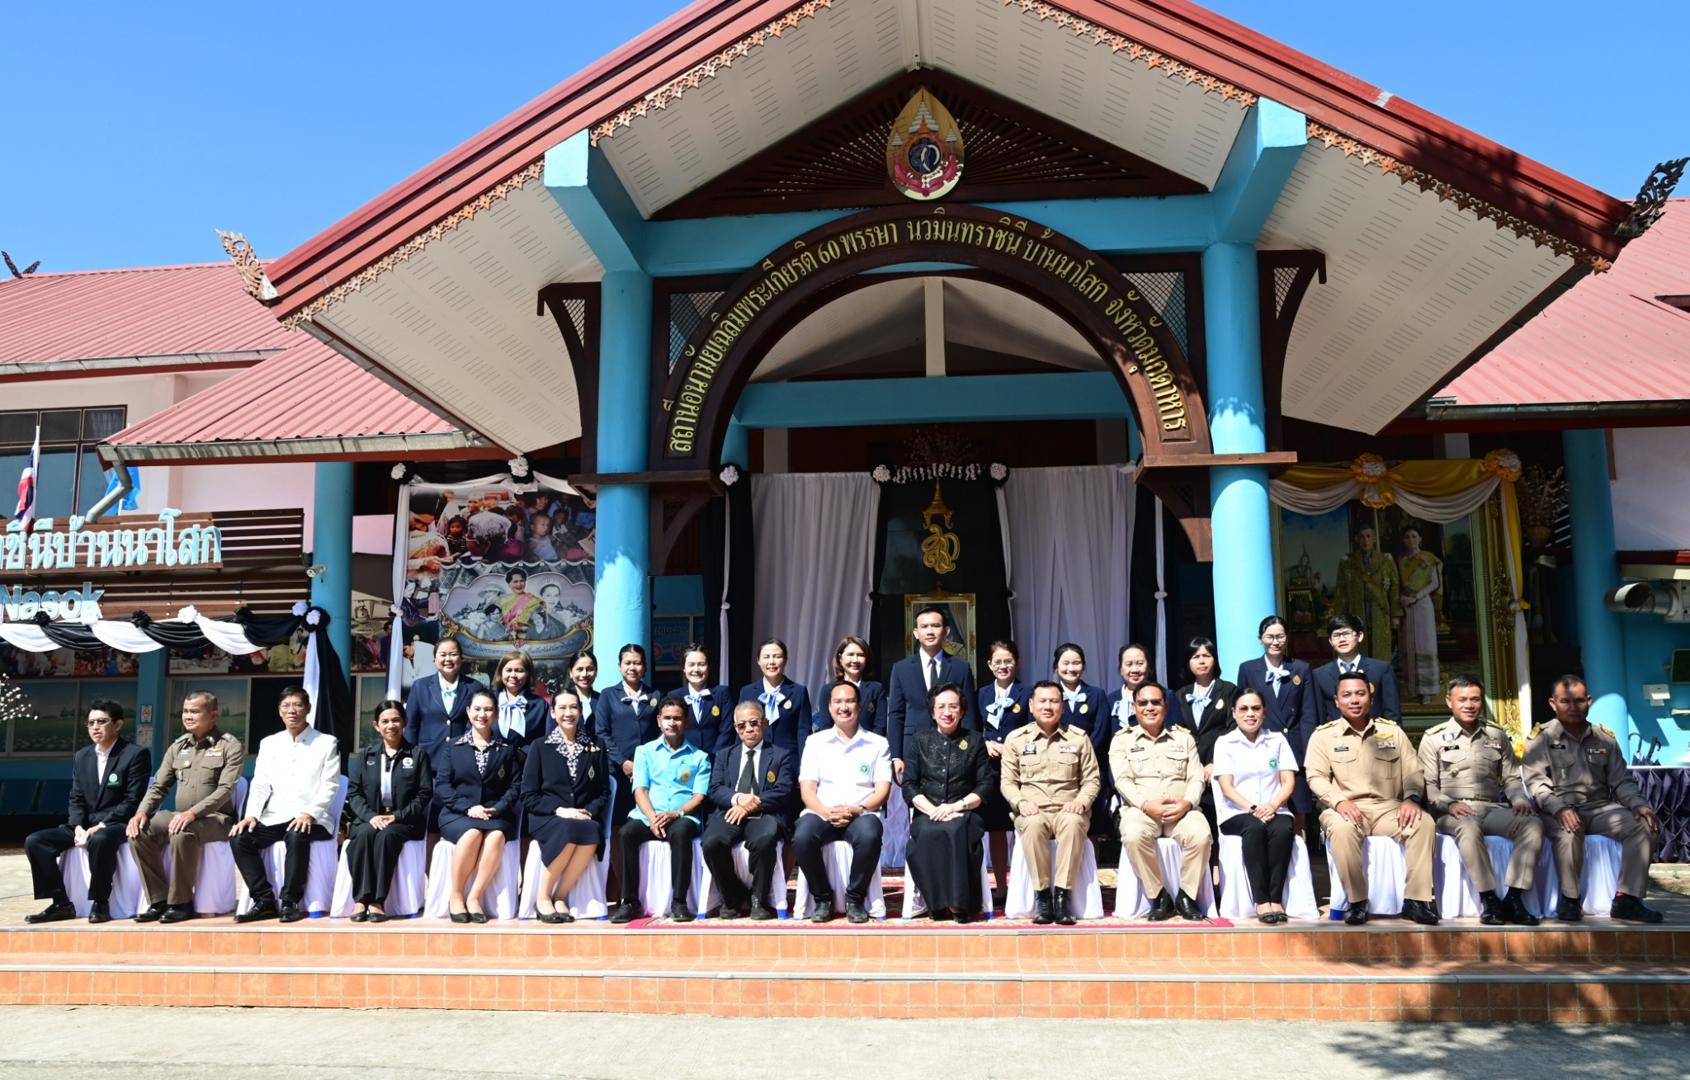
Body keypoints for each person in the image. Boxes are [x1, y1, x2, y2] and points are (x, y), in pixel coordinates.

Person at [1523, 676, 1663, 923]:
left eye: (1579, 701)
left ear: (1589, 701)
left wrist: (1638, 804)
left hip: (1599, 808)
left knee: (1644, 825)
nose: (1573, 707)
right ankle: (1570, 899)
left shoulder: (1604, 738)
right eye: (1565, 701)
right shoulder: (1541, 738)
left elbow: (1621, 781)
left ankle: (1627, 898)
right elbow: (1536, 784)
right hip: (1556, 808)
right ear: (1553, 704)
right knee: (1569, 829)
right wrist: (1558, 808)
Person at [1304, 673, 1438, 926]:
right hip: (1345, 808)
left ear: (1371, 698)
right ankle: (1357, 902)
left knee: (1424, 823)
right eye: (1347, 695)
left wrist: (1411, 798)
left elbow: (1413, 771)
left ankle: (1416, 901)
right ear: (1337, 701)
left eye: (1360, 694)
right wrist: (1339, 801)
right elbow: (1316, 777)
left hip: (1389, 808)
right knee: (1342, 830)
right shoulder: (1323, 736)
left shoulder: (1392, 732)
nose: (1354, 700)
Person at [1417, 676, 1542, 926]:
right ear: (1449, 701)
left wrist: (1519, 799)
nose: (1469, 705)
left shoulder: (1496, 734)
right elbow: (1428, 786)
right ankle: (1489, 899)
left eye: (1475, 699)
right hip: (1452, 811)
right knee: (1469, 827)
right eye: (1462, 699)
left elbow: (1511, 778)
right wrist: (1449, 804)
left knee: (1533, 824)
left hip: (1492, 807)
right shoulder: (1433, 738)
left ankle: (1514, 898)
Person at [23, 701, 151, 924]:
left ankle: (100, 902)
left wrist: (101, 826)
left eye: (102, 721)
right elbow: (76, 798)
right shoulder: (82, 756)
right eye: (91, 723)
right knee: (36, 841)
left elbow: (133, 800)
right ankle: (60, 903)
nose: (95, 727)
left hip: (117, 823)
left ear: (118, 724)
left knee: (100, 839)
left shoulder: (135, 754)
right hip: (85, 823)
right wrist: (78, 826)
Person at [127, 692, 245, 924]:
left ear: (213, 715)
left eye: (195, 711)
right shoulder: (178, 746)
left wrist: (193, 813)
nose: (188, 716)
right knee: (139, 831)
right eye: (185, 711)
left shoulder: (229, 746)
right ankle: (159, 900)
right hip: (182, 815)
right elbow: (159, 786)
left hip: (216, 819)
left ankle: (181, 903)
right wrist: (141, 812)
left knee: (182, 832)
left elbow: (225, 790)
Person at [230, 687, 342, 923]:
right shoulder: (269, 743)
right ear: (280, 711)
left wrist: (310, 813)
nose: (292, 711)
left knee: (296, 833)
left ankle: (290, 901)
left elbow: (330, 784)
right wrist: (251, 815)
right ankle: (264, 900)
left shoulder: (326, 742)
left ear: (308, 709)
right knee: (240, 838)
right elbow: (260, 784)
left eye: (298, 705)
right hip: (275, 816)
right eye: (286, 706)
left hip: (314, 819)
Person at [1000, 681, 1101, 925]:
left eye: (1054, 701)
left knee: (1073, 823)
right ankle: (1043, 898)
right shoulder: (1016, 739)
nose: (1048, 706)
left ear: (1062, 707)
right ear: (1031, 705)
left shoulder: (1078, 738)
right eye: (1042, 701)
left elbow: (1092, 779)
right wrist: (1020, 802)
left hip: (1068, 809)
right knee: (1033, 825)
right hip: (1032, 810)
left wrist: (1081, 802)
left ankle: (1062, 897)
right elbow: (1008, 782)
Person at [1110, 681, 1210, 921]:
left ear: (1165, 706)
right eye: (1143, 703)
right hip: (1141, 811)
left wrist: (1187, 803)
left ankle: (1186, 896)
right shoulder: (1122, 740)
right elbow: (1122, 781)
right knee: (1132, 835)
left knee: (1202, 835)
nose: (1149, 707)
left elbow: (1196, 777)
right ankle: (1158, 895)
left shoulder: (1183, 738)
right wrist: (1146, 805)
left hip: (1182, 810)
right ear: (1134, 707)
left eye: (1156, 702)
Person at [794, 681, 892, 923]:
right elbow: (807, 790)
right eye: (837, 702)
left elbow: (882, 790)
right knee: (802, 837)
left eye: (849, 701)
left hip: (861, 813)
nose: (843, 707)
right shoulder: (815, 742)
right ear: (829, 707)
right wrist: (827, 812)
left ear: (859, 705)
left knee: (870, 836)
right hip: (822, 812)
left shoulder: (878, 743)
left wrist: (857, 809)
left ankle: (855, 899)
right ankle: (822, 898)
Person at [611, 696, 712, 923]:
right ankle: (629, 901)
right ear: (658, 721)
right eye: (667, 718)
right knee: (626, 834)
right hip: (648, 815)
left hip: (682, 816)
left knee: (681, 833)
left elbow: (699, 796)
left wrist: (676, 813)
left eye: (677, 718)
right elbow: (640, 789)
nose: (672, 723)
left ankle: (679, 901)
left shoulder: (699, 757)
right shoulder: (644, 752)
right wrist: (652, 818)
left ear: (686, 722)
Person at [904, 683, 994, 922]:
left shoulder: (974, 740)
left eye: (953, 706)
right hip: (928, 811)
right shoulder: (920, 740)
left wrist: (956, 806)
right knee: (927, 833)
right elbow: (909, 784)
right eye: (941, 707)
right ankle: (936, 902)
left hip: (964, 811)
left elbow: (985, 784)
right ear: (932, 712)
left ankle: (958, 903)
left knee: (955, 830)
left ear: (962, 711)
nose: (947, 712)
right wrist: (933, 810)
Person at [521, 686, 610, 924]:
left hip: (581, 816)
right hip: (547, 816)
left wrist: (587, 812)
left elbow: (603, 791)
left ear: (581, 711)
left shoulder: (596, 745)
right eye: (562, 708)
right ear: (553, 713)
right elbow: (528, 794)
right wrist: (559, 810)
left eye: (573, 707)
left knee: (592, 829)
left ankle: (560, 896)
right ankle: (543, 897)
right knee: (568, 827)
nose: (568, 713)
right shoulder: (540, 746)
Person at [701, 701, 795, 920]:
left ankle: (758, 899)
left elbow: (784, 789)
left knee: (764, 840)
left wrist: (754, 802)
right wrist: (738, 799)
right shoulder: (724, 755)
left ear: (765, 723)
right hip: (731, 812)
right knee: (712, 842)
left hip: (765, 812)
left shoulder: (781, 755)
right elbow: (715, 789)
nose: (749, 729)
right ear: (736, 728)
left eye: (754, 723)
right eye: (742, 725)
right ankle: (732, 896)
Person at [1212, 689, 1298, 924]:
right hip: (1237, 812)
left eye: (1256, 708)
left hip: (1275, 808)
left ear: (1264, 712)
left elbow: (1288, 781)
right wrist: (1253, 808)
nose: (1250, 714)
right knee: (1255, 827)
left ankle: (1275, 899)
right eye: (1244, 709)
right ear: (1234, 712)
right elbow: (1226, 787)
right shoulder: (1225, 743)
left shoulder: (1277, 740)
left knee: (1283, 829)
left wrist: (1273, 804)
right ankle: (1261, 901)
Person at [435, 690, 521, 923]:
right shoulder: (454, 746)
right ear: (468, 712)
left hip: (495, 814)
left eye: (488, 709)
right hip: (457, 814)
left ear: (496, 714)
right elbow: (442, 785)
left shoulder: (506, 748)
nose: (482, 714)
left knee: (496, 836)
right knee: (472, 833)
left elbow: (515, 786)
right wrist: (468, 808)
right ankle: (456, 895)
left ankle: (474, 897)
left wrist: (498, 808)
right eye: (477, 709)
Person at [344, 699, 433, 922]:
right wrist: (370, 816)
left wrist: (397, 816)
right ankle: (361, 899)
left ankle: (377, 901)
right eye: (385, 721)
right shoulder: (366, 755)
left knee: (386, 836)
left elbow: (424, 794)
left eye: (396, 720)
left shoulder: (417, 755)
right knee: (363, 835)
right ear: (376, 726)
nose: (391, 725)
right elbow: (354, 792)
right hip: (371, 818)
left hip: (404, 821)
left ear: (404, 722)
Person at [1234, 616, 1319, 816]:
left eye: (1280, 636)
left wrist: (1309, 753)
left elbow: (1308, 714)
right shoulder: (1248, 669)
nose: (1275, 642)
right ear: (1260, 639)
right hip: (1262, 746)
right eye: (1269, 637)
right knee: (1264, 810)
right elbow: (1243, 711)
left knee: (1298, 813)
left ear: (1287, 638)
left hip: (1295, 748)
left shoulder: (1301, 669)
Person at [887, 607, 976, 782]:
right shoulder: (901, 668)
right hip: (913, 747)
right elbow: (896, 714)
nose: (929, 631)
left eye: (935, 626)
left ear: (946, 631)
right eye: (924, 626)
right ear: (916, 633)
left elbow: (969, 712)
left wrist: (971, 751)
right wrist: (895, 756)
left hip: (954, 745)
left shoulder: (960, 667)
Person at [1171, 637, 1237, 837]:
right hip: (1190, 769)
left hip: (1217, 769)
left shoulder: (1228, 690)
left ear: (1214, 659)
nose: (1201, 661)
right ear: (1188, 662)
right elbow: (1177, 732)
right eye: (1195, 656)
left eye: (1206, 656)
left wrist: (1215, 762)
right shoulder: (1180, 694)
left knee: (1219, 824)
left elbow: (1233, 729)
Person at [976, 640, 1030, 879]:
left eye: (1008, 661)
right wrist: (985, 744)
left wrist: (1010, 747)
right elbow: (974, 728)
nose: (1003, 666)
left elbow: (1032, 730)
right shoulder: (982, 693)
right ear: (989, 665)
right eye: (997, 662)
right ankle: (1000, 885)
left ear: (1016, 663)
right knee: (996, 828)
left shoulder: (1027, 692)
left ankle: (1022, 883)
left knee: (1023, 826)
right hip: (991, 769)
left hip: (1020, 769)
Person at [600, 643, 659, 833]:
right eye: (627, 663)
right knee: (617, 822)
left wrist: (647, 763)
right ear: (620, 666)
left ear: (645, 667)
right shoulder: (608, 695)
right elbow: (601, 732)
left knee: (646, 820)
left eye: (637, 663)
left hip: (648, 771)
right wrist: (622, 762)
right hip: (617, 770)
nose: (632, 668)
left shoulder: (655, 695)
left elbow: (661, 732)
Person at [403, 637, 486, 773]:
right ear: (434, 659)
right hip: (427, 762)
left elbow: (477, 725)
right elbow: (411, 726)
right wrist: (410, 760)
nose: (448, 659)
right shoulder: (420, 686)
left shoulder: (474, 687)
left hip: (462, 763)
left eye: (453, 654)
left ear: (461, 658)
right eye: (443, 655)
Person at [1311, 613, 1402, 723]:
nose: (1342, 639)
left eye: (1346, 634)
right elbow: (1319, 715)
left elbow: (1392, 713)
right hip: (1336, 733)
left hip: (1374, 732)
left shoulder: (1381, 669)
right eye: (1336, 635)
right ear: (1330, 641)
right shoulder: (1319, 675)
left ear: (1360, 636)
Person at [1332, 525, 1400, 662]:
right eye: (1362, 537)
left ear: (1374, 538)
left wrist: (1395, 614)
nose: (1366, 540)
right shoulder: (1347, 561)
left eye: (1369, 536)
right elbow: (1341, 591)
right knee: (1358, 643)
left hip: (1380, 609)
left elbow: (1394, 587)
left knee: (1380, 645)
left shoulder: (1385, 560)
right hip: (1356, 609)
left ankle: (1379, 673)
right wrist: (1340, 616)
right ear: (1357, 539)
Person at [737, 638, 812, 755]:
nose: (771, 662)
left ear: (785, 660)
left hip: (788, 759)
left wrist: (804, 762)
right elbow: (741, 730)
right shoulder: (747, 692)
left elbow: (803, 733)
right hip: (756, 758)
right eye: (766, 657)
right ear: (758, 661)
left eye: (777, 656)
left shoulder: (799, 692)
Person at [1397, 527, 1444, 704]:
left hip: (1422, 604)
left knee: (1425, 645)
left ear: (1420, 539)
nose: (1411, 540)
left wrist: (1415, 597)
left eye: (1414, 536)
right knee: (1408, 645)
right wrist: (1402, 599)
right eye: (1407, 537)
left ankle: (1427, 691)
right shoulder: (1401, 560)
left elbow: (1434, 583)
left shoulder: (1428, 559)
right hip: (1405, 605)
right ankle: (1412, 687)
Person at [820, 635, 887, 736]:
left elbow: (880, 726)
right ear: (840, 658)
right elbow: (826, 726)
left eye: (860, 655)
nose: (855, 660)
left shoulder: (876, 689)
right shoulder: (828, 689)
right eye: (850, 654)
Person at [673, 644, 733, 755]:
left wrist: (715, 758)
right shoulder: (674, 696)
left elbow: (726, 730)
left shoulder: (721, 693)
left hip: (716, 759)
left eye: (701, 664)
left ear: (708, 667)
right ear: (684, 669)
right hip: (684, 758)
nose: (696, 669)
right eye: (691, 665)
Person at [1049, 643, 1107, 746]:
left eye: (1076, 663)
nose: (1071, 669)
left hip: (1089, 753)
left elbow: (1100, 731)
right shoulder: (1048, 696)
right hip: (1056, 753)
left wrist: (1085, 751)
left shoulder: (1097, 695)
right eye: (1066, 663)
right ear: (1056, 667)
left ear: (1083, 666)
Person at [492, 650, 549, 748]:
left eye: (519, 670)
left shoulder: (539, 706)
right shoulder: (488, 701)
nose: (513, 675)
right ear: (500, 673)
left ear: (528, 674)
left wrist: (524, 752)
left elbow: (544, 739)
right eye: (508, 670)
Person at [567, 651, 601, 742]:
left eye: (590, 669)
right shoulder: (561, 699)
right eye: (580, 669)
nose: (584, 674)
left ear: (596, 672)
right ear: (571, 672)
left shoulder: (602, 700)